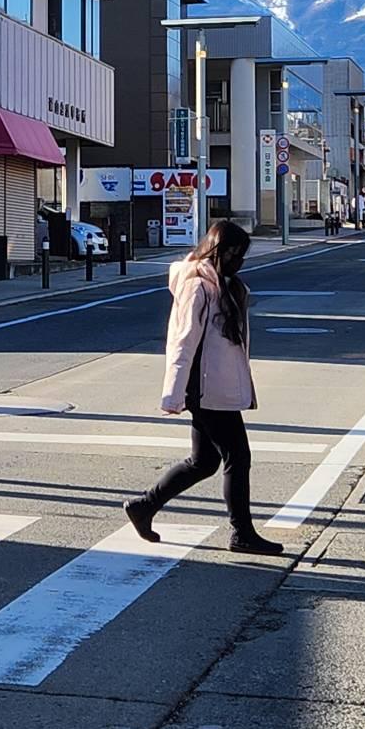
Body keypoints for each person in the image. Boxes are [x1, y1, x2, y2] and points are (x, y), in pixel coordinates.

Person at [123, 221, 283, 556]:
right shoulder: (197, 286)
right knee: (237, 457)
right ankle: (241, 533)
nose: (240, 260)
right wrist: (173, 393)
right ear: (219, 250)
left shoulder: (224, 284)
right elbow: (183, 342)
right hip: (205, 387)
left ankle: (144, 506)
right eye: (235, 253)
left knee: (203, 461)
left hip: (216, 385)